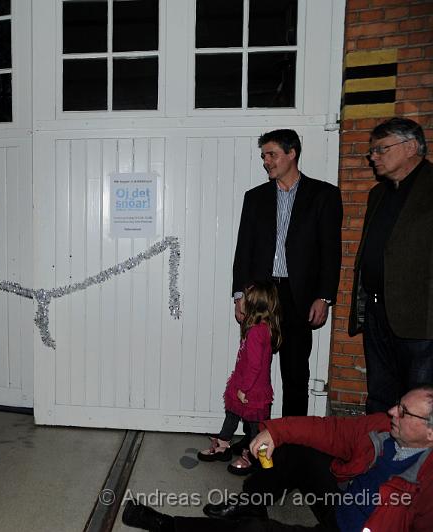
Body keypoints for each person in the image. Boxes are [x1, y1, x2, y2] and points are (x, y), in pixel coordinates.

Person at [122, 386, 433, 532]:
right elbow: (332, 429)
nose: (393, 412)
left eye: (404, 412)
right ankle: (252, 501)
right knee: (295, 448)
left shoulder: (426, 482)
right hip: (344, 505)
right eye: (397, 404)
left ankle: (165, 525)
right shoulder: (382, 428)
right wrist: (275, 432)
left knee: (253, 531)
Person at [233, 129, 343, 419]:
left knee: (295, 373)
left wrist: (324, 296)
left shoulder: (324, 195)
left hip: (299, 296)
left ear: (292, 153)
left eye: (272, 155)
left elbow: (331, 251)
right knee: (254, 370)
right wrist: (239, 295)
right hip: (261, 297)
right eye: (263, 156)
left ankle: (293, 441)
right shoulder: (255, 198)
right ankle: (255, 437)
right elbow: (243, 249)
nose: (266, 161)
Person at [348, 117, 433, 414]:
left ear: (411, 147)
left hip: (420, 321)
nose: (373, 157)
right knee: (380, 396)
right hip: (376, 312)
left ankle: (416, 461)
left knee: (417, 405)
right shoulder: (378, 194)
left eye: (381, 149)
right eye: (372, 151)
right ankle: (377, 455)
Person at [197, 282, 281, 476]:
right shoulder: (260, 326)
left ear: (254, 304)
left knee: (255, 426)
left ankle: (255, 457)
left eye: (244, 298)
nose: (239, 301)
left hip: (251, 388)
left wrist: (244, 388)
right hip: (244, 382)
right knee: (232, 414)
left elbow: (254, 366)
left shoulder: (256, 332)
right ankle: (224, 443)